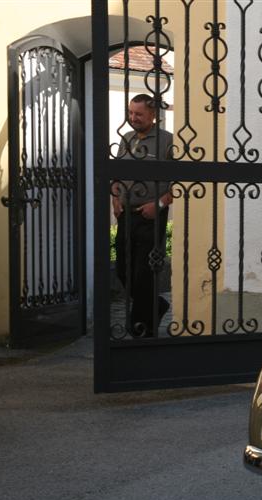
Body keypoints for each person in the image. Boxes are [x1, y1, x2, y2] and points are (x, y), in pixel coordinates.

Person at [112, 93, 173, 337]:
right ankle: (156, 306)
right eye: (130, 113)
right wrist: (115, 196)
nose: (133, 118)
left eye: (139, 114)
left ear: (153, 115)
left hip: (151, 216)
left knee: (143, 273)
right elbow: (115, 172)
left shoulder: (167, 141)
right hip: (126, 215)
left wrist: (157, 204)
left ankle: (141, 329)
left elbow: (180, 181)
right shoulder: (125, 138)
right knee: (123, 270)